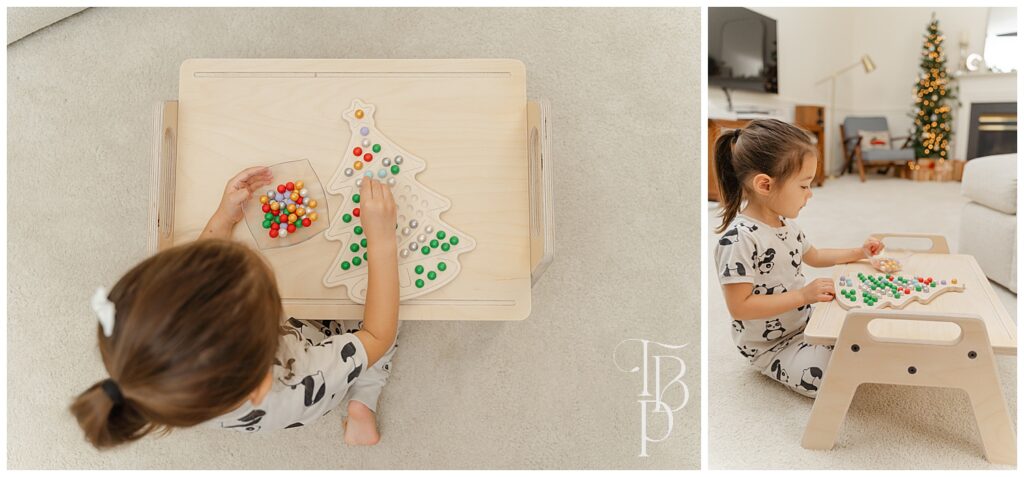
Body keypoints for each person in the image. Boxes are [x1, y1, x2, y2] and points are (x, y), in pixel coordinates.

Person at [71, 166, 399, 447]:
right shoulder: (301, 379)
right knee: (394, 312)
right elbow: (377, 333)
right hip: (316, 372)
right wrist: (381, 239)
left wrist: (224, 220)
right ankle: (362, 403)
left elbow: (193, 285)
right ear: (261, 383)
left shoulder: (167, 390)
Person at [713, 119, 883, 397]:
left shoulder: (785, 224)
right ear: (765, 185)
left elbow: (814, 255)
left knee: (862, 326)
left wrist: (859, 253)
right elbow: (740, 307)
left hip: (804, 323)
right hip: (771, 345)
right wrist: (803, 296)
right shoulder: (739, 238)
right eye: (804, 186)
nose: (810, 194)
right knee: (834, 380)